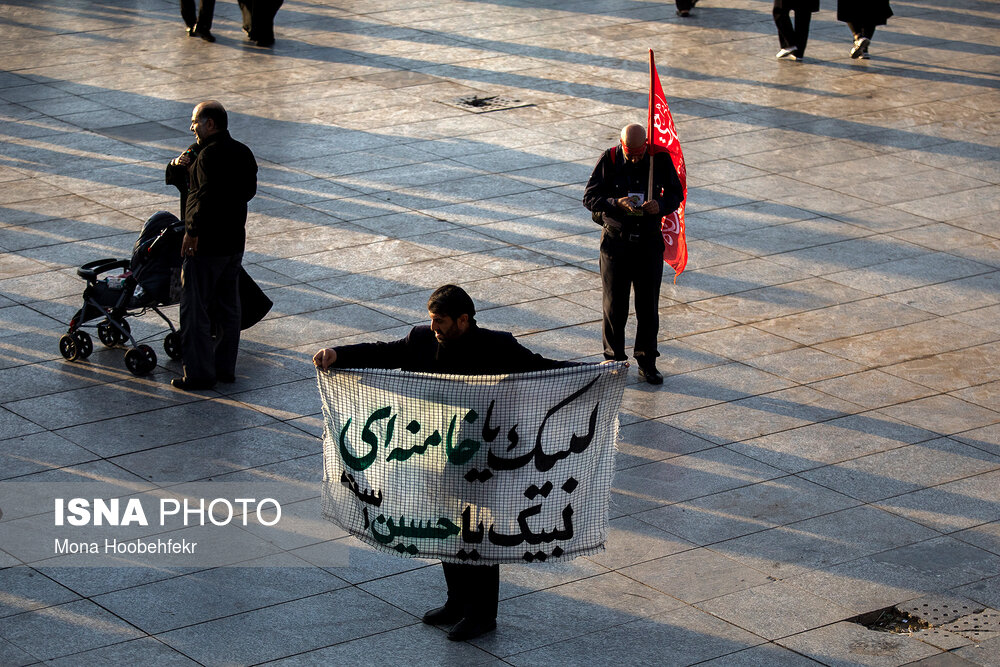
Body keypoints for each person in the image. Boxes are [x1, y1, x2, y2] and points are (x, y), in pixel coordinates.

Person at [313, 284, 581, 641]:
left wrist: (597, 371)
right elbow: (385, 353)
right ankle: (456, 603)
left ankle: (482, 615)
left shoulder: (498, 345)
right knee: (447, 527)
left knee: (479, 534)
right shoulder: (422, 339)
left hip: (488, 457)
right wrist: (337, 353)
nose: (435, 327)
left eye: (441, 321)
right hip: (439, 451)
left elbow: (544, 370)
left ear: (463, 319)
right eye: (432, 320)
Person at [583, 124, 683, 385]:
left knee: (648, 307)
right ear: (621, 145)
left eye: (640, 152)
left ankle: (647, 360)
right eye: (631, 152)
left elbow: (676, 193)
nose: (636, 157)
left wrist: (660, 205)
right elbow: (589, 197)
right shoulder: (610, 159)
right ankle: (614, 359)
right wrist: (617, 203)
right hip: (616, 243)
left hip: (648, 243)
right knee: (614, 307)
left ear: (646, 144)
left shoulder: (658, 159)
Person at [170, 101, 258, 391]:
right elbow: (248, 192)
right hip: (233, 241)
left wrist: (192, 232)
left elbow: (202, 198)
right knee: (228, 309)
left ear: (210, 124)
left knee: (195, 309)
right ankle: (224, 368)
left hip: (205, 244)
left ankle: (198, 374)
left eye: (195, 121)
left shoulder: (207, 156)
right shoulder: (243, 152)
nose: (191, 127)